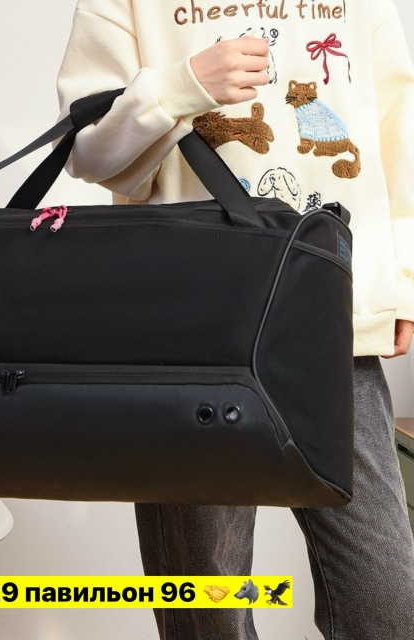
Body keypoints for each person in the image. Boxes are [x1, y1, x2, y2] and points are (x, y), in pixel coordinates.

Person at [55, 1, 414, 638]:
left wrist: (405, 282)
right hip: (186, 340)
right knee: (207, 610)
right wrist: (181, 87)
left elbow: (399, 131)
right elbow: (85, 150)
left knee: (386, 599)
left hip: (330, 320)